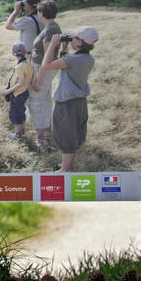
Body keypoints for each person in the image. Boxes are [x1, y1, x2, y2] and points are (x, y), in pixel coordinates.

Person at [33, 27, 98, 172]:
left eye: (74, 38)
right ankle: (66, 166)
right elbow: (67, 62)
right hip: (79, 102)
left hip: (66, 104)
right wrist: (64, 48)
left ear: (80, 42)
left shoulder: (73, 60)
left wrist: (52, 45)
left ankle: (65, 170)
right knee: (73, 133)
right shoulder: (88, 59)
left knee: (65, 135)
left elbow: (46, 65)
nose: (72, 39)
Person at [26, 0, 62, 149]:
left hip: (43, 69)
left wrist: (37, 80)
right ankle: (46, 131)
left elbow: (48, 56)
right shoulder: (51, 27)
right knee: (45, 100)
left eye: (39, 11)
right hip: (43, 68)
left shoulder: (50, 29)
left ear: (42, 13)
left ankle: (41, 138)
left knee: (37, 101)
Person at [1, 42, 33, 141]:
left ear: (13, 54)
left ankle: (18, 134)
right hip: (25, 92)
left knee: (15, 113)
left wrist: (8, 91)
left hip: (18, 93)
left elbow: (20, 83)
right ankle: (21, 132)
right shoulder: (28, 64)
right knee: (21, 112)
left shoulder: (19, 67)